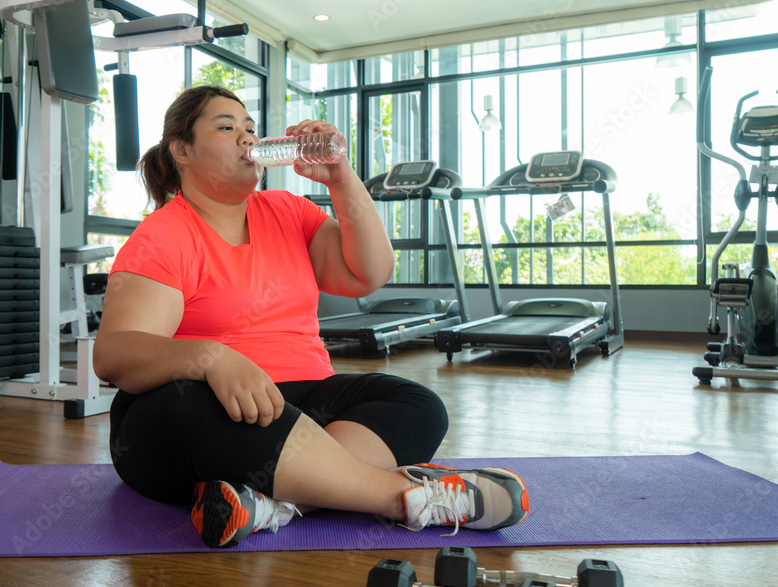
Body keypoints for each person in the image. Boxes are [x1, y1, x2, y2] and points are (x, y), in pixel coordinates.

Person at [93, 85, 529, 549]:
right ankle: (409, 497)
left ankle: (272, 503)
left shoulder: (288, 211)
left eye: (250, 128)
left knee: (416, 404)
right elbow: (115, 355)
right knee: (177, 406)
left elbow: (369, 273)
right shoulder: (163, 235)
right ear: (182, 150)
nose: (246, 138)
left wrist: (341, 178)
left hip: (306, 402)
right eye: (226, 127)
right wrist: (210, 358)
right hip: (212, 413)